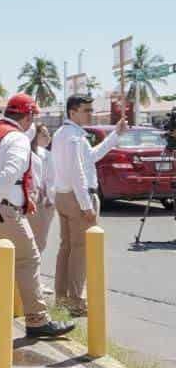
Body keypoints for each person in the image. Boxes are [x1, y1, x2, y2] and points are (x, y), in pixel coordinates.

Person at [0, 94, 75, 341]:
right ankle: (37, 320)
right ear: (28, 116)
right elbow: (10, 173)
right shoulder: (17, 138)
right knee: (28, 258)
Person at [51, 94, 128, 314]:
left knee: (67, 249)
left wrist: (114, 135)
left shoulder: (64, 134)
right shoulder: (73, 137)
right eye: (86, 110)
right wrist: (86, 205)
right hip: (77, 198)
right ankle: (75, 301)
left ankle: (63, 298)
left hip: (64, 196)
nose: (90, 113)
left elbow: (90, 158)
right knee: (80, 251)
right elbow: (78, 173)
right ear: (72, 112)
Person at [28, 123, 55, 254]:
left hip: (36, 200)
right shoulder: (45, 155)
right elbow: (50, 180)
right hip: (41, 201)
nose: (48, 137)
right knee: (39, 241)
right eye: (44, 134)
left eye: (49, 134)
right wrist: (50, 198)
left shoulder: (46, 154)